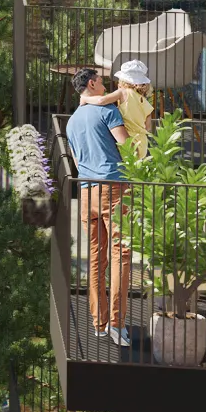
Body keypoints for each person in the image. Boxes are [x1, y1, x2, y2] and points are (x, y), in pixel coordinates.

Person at [65, 65, 129, 332]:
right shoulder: (107, 110)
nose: (104, 85)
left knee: (95, 257)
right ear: (91, 84)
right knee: (120, 253)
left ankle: (98, 323)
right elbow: (126, 145)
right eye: (101, 81)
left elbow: (78, 162)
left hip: (86, 190)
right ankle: (116, 321)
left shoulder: (71, 122)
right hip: (112, 186)